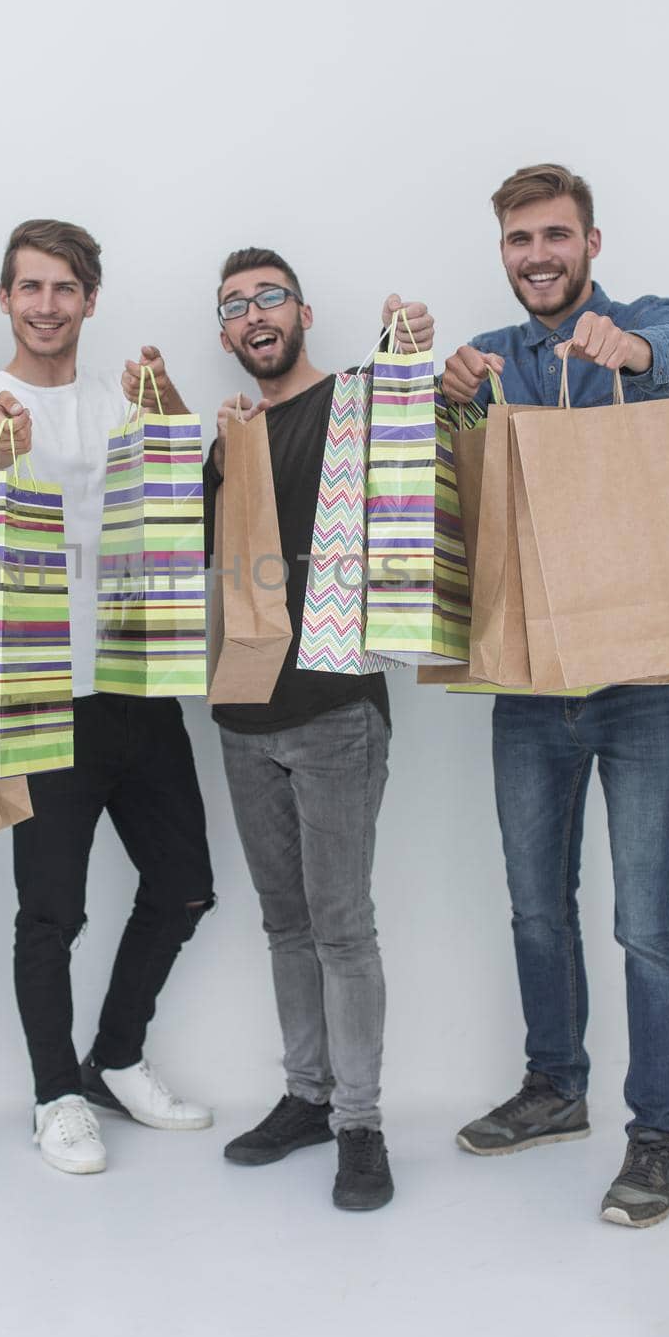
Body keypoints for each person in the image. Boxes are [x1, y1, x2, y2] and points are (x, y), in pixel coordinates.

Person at [442, 162, 669, 1229]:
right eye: (519, 240)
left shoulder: (646, 323)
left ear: (589, 244)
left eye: (555, 236)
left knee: (647, 920)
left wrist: (633, 352)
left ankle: (655, 1132)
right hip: (526, 677)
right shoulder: (494, 358)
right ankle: (553, 1087)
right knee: (534, 906)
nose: (537, 255)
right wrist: (439, 392)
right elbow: (455, 486)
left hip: (642, 682)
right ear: (502, 252)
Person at [0, 218, 214, 1176]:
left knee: (185, 885)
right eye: (30, 288)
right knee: (49, 912)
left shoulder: (117, 400)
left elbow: (182, 486)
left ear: (89, 299)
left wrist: (173, 409)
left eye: (65, 289)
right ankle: (55, 1093)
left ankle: (116, 1057)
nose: (47, 306)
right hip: (40, 691)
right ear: (6, 299)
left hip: (138, 682)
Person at [203, 247, 433, 1211]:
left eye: (268, 298)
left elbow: (427, 437)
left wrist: (413, 350)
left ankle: (361, 1124)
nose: (253, 314)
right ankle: (305, 1096)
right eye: (233, 306)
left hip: (336, 711)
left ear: (302, 311)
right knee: (284, 922)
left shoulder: (357, 404)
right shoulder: (230, 444)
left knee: (341, 926)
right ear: (226, 334)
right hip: (242, 716)